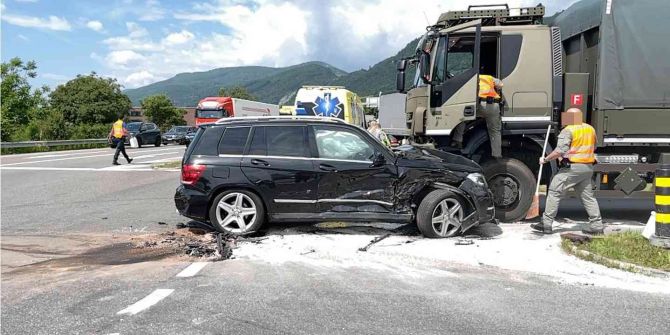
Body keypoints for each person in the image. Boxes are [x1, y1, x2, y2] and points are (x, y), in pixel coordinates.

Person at [531, 108, 604, 235]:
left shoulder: (568, 130)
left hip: (573, 169)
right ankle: (597, 226)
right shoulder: (590, 128)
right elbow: (594, 146)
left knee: (554, 191)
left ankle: (546, 224)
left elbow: (559, 150)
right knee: (588, 198)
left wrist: (546, 159)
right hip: (587, 168)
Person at [451, 74, 504, 159]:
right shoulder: (489, 78)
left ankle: (457, 141)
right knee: (495, 131)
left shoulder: (473, 78)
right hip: (493, 106)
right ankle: (497, 155)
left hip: (480, 105)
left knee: (463, 118)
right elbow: (501, 85)